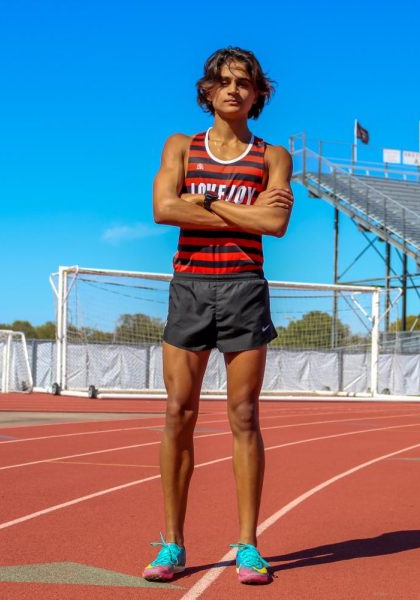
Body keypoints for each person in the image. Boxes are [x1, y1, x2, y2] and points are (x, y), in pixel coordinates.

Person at [143, 46, 293, 585]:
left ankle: (248, 545)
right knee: (178, 412)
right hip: (189, 287)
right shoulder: (181, 146)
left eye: (244, 83)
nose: (234, 90)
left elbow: (274, 225)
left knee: (244, 416)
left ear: (258, 94)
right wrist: (244, 213)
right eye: (224, 82)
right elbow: (164, 208)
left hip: (244, 289)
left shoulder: (274, 156)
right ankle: (173, 545)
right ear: (208, 90)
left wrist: (204, 203)